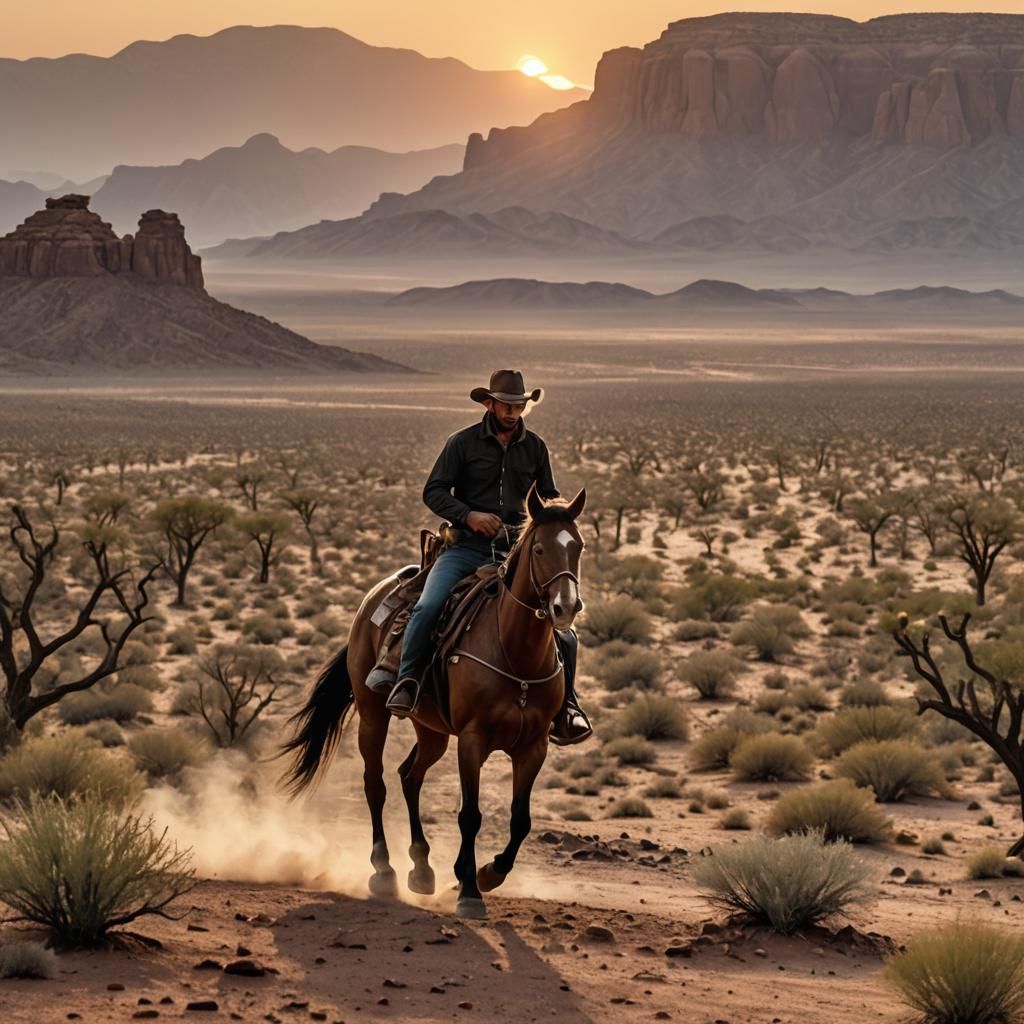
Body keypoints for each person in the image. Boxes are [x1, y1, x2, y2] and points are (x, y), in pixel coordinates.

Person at [366, 369, 592, 745]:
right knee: (428, 605)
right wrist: (467, 515)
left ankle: (566, 707)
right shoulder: (463, 444)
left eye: (519, 405)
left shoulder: (535, 448)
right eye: (506, 404)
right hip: (466, 547)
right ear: (489, 403)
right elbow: (434, 491)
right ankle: (406, 681)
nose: (512, 411)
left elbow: (548, 496)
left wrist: (557, 513)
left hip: (516, 552)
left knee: (564, 632)